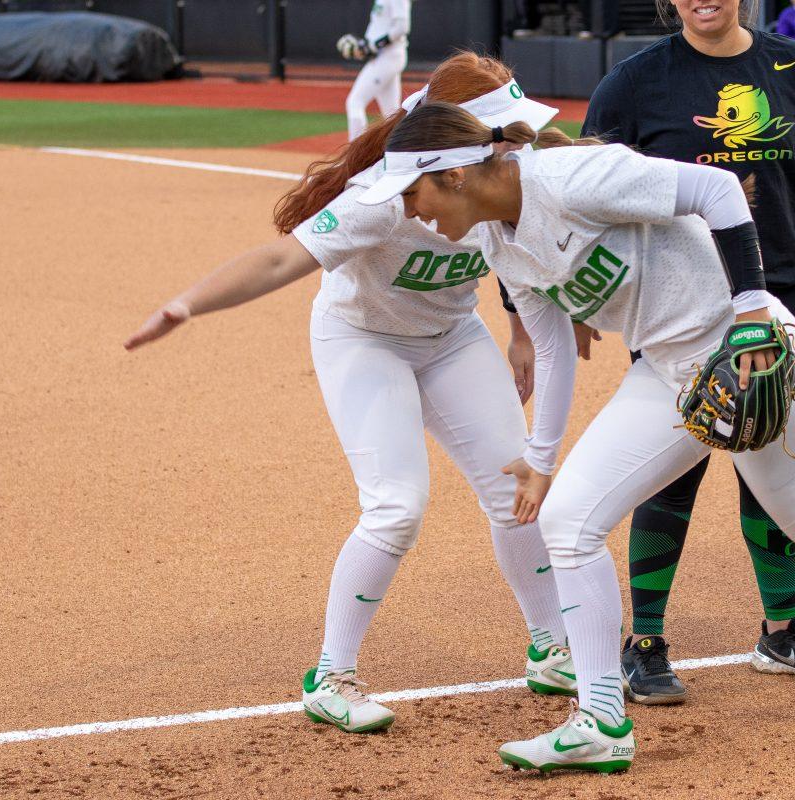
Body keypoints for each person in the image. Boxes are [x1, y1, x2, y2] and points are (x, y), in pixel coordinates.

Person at [363, 102, 795, 770]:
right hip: (670, 373)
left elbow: (718, 190)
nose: (411, 212)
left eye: (412, 193)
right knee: (567, 520)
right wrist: (540, 458)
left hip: (751, 351)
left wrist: (751, 315)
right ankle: (599, 721)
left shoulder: (569, 177)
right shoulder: (494, 240)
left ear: (450, 175)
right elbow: (555, 345)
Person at [124, 52, 580, 734]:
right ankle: (331, 675)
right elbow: (283, 257)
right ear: (459, 144)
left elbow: (515, 245)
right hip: (364, 340)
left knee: (518, 485)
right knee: (397, 507)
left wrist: (518, 330)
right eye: (508, 131)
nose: (522, 141)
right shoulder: (381, 199)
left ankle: (552, 648)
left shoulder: (506, 174)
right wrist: (186, 306)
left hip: (452, 337)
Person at [582, 0, 795, 697]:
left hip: (783, 297)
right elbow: (589, 191)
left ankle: (782, 630)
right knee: (670, 468)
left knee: (771, 457)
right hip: (681, 310)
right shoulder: (635, 81)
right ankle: (644, 642)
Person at [339, 0, 413, 141]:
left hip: (388, 57)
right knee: (391, 115)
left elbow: (402, 27)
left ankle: (355, 156)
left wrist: (372, 46)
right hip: (382, 57)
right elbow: (380, 26)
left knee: (355, 102)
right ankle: (397, 154)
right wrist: (364, 46)